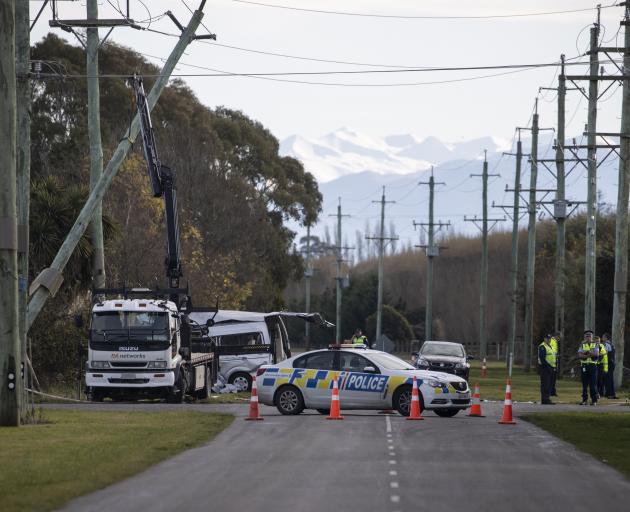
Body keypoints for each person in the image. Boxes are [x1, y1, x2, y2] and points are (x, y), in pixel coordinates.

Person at [578, 330, 599, 405]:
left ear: (592, 337)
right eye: (587, 336)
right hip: (584, 366)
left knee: (593, 384)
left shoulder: (595, 344)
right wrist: (589, 354)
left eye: (589, 336)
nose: (588, 337)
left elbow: (596, 354)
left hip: (593, 366)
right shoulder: (582, 344)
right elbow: (580, 355)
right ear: (584, 337)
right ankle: (584, 400)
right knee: (584, 385)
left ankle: (594, 400)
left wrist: (586, 353)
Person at [538, 334, 556, 404]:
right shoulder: (542, 346)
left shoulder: (550, 346)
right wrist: (548, 366)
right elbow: (542, 358)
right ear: (544, 339)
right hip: (545, 367)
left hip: (551, 367)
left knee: (549, 384)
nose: (549, 340)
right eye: (547, 338)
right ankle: (545, 399)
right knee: (545, 384)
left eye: (550, 338)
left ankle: (547, 398)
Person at [602, 334, 619, 399]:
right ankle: (611, 393)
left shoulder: (606, 344)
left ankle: (610, 394)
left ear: (606, 338)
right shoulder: (611, 344)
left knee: (608, 379)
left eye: (603, 337)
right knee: (610, 379)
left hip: (609, 363)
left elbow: (604, 353)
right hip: (611, 363)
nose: (602, 338)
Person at [595, 335, 608, 399]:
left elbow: (601, 356)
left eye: (598, 341)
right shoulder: (593, 346)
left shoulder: (601, 346)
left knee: (600, 381)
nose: (597, 342)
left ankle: (600, 393)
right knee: (595, 380)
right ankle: (597, 393)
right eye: (596, 341)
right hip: (595, 365)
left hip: (601, 365)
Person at [549, 332, 560, 396]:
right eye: (559, 337)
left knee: (554, 377)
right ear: (556, 336)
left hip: (554, 360)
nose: (560, 339)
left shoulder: (555, 342)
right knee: (552, 377)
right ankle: (551, 391)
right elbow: (551, 350)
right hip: (552, 361)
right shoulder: (552, 341)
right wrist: (555, 355)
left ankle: (553, 391)